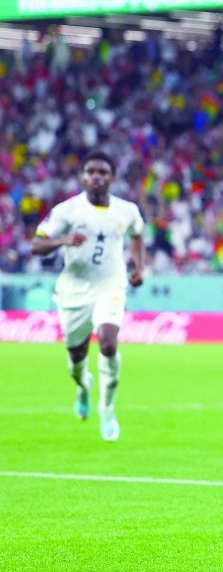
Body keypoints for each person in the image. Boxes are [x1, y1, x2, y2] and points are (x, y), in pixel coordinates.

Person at [30, 151, 144, 442]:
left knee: (108, 341)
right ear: (83, 176)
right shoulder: (68, 211)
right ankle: (83, 387)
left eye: (102, 172)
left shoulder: (127, 210)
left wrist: (139, 266)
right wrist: (62, 239)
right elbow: (36, 244)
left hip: (111, 285)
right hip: (74, 291)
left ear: (112, 177)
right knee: (77, 357)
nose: (96, 176)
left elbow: (137, 234)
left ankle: (107, 408)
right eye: (91, 171)